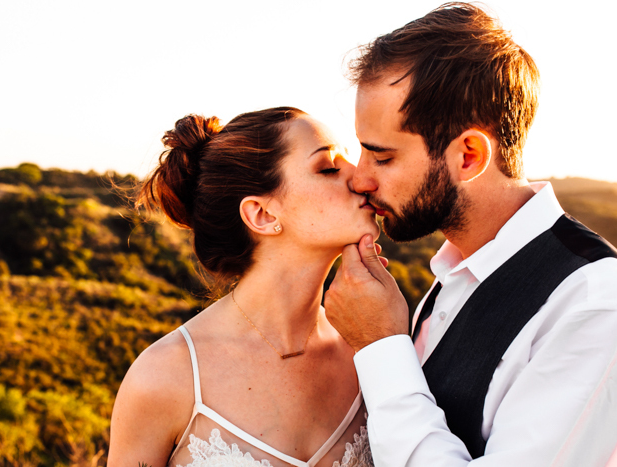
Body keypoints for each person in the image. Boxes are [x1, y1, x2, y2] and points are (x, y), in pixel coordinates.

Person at [324, 3, 617, 466]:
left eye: (382, 157)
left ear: (468, 156)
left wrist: (379, 345)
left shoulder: (595, 304)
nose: (360, 179)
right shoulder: (449, 280)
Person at [107, 107, 379, 466]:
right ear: (262, 215)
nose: (361, 176)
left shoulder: (374, 353)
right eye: (328, 168)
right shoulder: (165, 376)